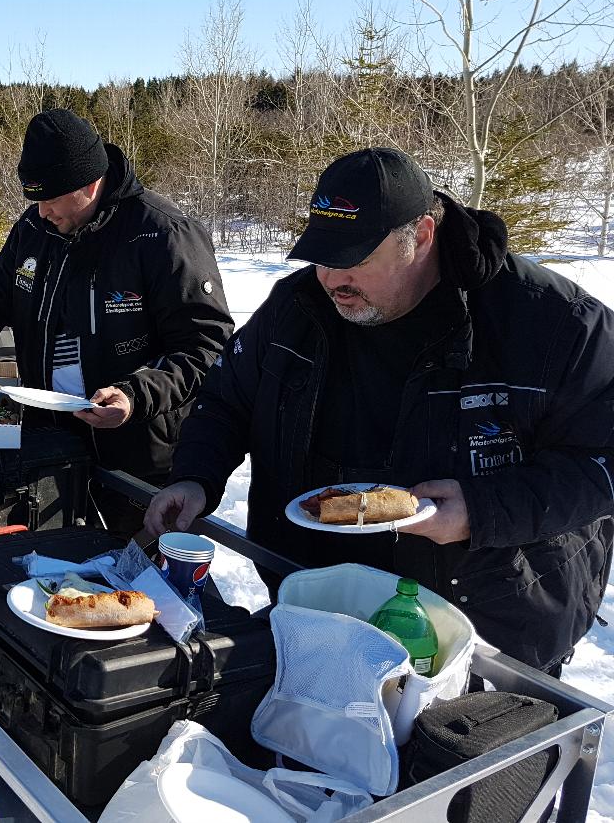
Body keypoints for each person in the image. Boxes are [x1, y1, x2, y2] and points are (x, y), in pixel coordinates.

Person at [144, 147, 614, 675]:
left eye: (357, 260)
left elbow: (603, 462)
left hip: (482, 628)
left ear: (423, 237)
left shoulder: (552, 324)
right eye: (322, 257)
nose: (333, 279)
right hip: (320, 608)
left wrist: (481, 510)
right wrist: (195, 478)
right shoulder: (296, 308)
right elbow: (225, 400)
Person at [0, 108, 234, 534]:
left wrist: (135, 394)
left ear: (91, 184)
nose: (41, 211)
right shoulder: (34, 231)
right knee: (63, 583)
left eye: (51, 198)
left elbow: (205, 347)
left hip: (138, 458)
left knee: (141, 587)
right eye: (34, 199)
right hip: (51, 446)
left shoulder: (163, 235)